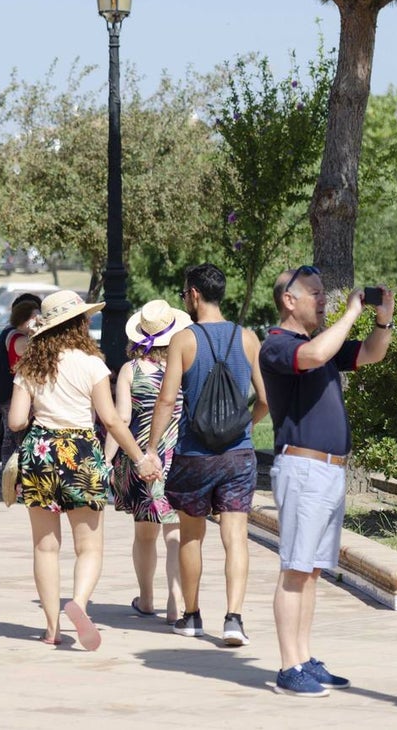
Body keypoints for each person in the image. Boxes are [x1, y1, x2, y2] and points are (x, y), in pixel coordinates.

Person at [260, 267, 393, 697]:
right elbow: (315, 357)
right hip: (303, 468)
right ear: (289, 301)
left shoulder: (320, 344)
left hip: (328, 470)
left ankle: (303, 657)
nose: (322, 300)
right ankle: (287, 666)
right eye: (314, 293)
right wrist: (352, 312)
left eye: (323, 293)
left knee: (312, 570)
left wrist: (383, 318)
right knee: (295, 568)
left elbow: (373, 353)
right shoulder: (278, 346)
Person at [7, 290, 149, 650]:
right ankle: (79, 604)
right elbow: (112, 420)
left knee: (45, 547)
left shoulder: (29, 366)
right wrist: (140, 458)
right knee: (89, 547)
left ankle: (52, 629)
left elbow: (16, 420)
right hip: (82, 452)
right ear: (80, 323)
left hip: (40, 452)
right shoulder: (92, 364)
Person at [142, 263, 269, 647]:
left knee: (192, 537)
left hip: (193, 454)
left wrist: (150, 448)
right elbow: (266, 399)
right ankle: (233, 619)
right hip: (238, 455)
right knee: (236, 537)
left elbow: (167, 399)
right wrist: (244, 423)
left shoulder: (184, 339)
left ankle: (193, 616)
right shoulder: (248, 338)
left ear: (194, 294)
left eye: (184, 293)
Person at [105, 300, 191, 625]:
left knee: (144, 535)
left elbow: (121, 419)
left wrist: (106, 459)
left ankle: (147, 598)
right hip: (177, 457)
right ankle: (176, 603)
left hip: (141, 459)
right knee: (175, 534)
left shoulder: (130, 371)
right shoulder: (184, 367)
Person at [0, 294, 42, 465]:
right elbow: (35, 357)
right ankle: (12, 472)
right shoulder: (18, 337)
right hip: (14, 393)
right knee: (15, 436)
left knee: (12, 436)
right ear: (26, 318)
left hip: (11, 392)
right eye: (36, 316)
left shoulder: (14, 334)